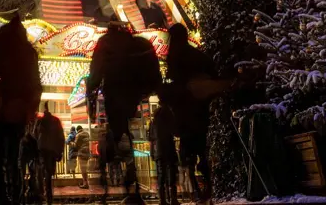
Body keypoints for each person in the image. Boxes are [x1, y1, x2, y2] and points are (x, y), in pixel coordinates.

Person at [87, 19, 162, 200]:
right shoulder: (136, 42)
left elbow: (96, 70)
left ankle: (121, 175)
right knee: (127, 132)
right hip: (134, 93)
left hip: (115, 91)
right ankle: (132, 179)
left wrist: (91, 91)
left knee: (118, 131)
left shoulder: (105, 42)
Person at [167, 23, 228, 204]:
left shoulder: (175, 56)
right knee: (202, 151)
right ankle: (208, 188)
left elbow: (176, 84)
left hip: (186, 114)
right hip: (201, 111)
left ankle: (198, 191)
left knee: (188, 156)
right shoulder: (198, 55)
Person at [0, 14, 42, 205]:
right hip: (20, 109)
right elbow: (36, 84)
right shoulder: (29, 52)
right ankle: (15, 194)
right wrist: (30, 109)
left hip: (3, 106)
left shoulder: (1, 48)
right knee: (14, 157)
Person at [149, 88, 179, 205]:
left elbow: (151, 137)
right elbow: (175, 130)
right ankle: (173, 198)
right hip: (168, 148)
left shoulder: (154, 120)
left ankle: (162, 199)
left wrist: (153, 152)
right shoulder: (168, 114)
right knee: (170, 173)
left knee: (161, 174)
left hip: (158, 150)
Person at [36, 102, 65, 204]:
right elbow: (61, 137)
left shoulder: (40, 121)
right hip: (51, 151)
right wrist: (60, 151)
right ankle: (48, 195)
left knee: (41, 172)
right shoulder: (55, 121)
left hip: (42, 150)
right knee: (48, 173)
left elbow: (34, 135)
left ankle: (43, 193)